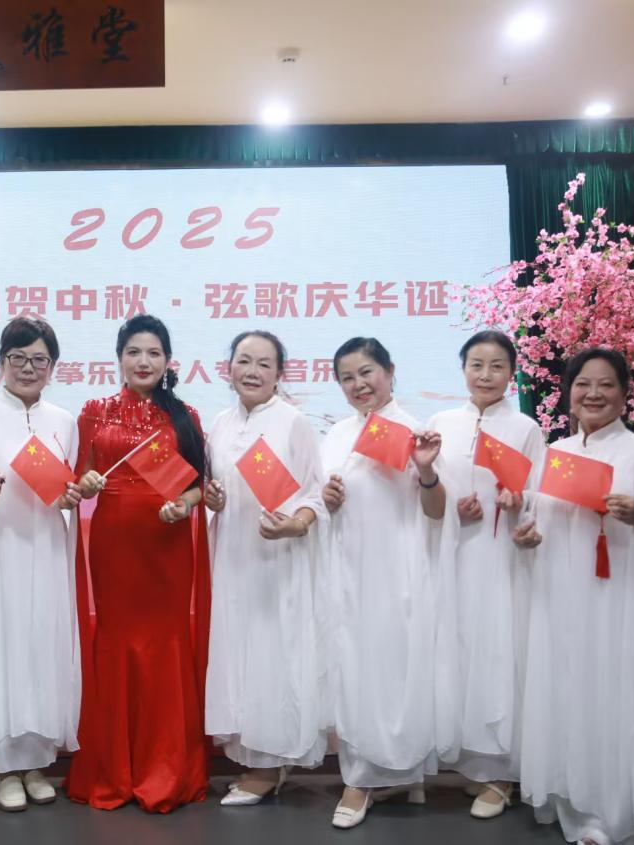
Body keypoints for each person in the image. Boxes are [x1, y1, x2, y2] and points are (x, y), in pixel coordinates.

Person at [512, 347, 634, 845]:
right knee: (568, 694)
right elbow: (535, 523)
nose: (593, 394)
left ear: (624, 393)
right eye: (582, 384)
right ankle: (574, 802)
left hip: (619, 606)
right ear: (567, 393)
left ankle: (617, 815)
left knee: (617, 700)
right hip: (561, 602)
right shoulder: (554, 454)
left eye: (606, 384)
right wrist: (526, 537)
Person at [65, 314, 211, 813]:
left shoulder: (185, 415)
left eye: (153, 353)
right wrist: (84, 483)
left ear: (168, 361)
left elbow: (198, 486)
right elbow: (77, 478)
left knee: (166, 645)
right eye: (133, 352)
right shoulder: (94, 411)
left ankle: (165, 769)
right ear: (119, 358)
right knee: (117, 642)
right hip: (114, 543)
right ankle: (114, 768)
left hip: (166, 544)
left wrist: (184, 505)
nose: (143, 361)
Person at [0, 316, 82, 812]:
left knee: (41, 649)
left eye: (39, 359)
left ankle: (36, 763)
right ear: (1, 362)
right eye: (18, 358)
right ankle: (4, 767)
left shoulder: (64, 421)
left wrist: (70, 496)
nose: (28, 368)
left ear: (53, 367)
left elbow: (67, 492)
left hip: (44, 550)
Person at [318, 337, 445, 830]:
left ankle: (389, 774)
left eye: (367, 372)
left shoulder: (415, 432)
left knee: (394, 672)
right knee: (353, 669)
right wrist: (328, 498)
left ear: (390, 371)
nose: (359, 385)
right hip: (349, 567)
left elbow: (435, 510)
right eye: (347, 378)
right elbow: (329, 501)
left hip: (398, 569)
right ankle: (366, 776)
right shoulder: (336, 434)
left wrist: (427, 471)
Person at [203, 331, 328, 805]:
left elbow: (314, 493)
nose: (252, 371)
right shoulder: (220, 423)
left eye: (263, 364)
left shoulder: (293, 422)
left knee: (273, 655)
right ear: (228, 367)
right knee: (239, 653)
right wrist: (213, 498)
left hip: (277, 558)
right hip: (233, 558)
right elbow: (218, 490)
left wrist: (295, 524)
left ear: (279, 373)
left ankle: (268, 765)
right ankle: (251, 757)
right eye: (244, 361)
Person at [427, 330, 545, 819]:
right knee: (457, 651)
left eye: (497, 366)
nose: (486, 375)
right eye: (476, 364)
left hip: (502, 557)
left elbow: (541, 495)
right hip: (453, 555)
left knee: (499, 654)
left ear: (512, 373)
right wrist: (456, 509)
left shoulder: (526, 428)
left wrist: (520, 502)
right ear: (463, 369)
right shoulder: (440, 423)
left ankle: (500, 773)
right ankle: (466, 763)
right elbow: (429, 492)